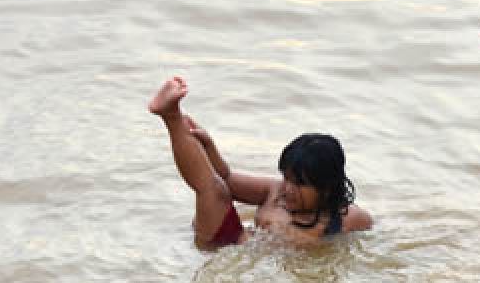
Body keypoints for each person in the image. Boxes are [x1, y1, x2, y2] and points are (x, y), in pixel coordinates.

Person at [148, 76, 373, 248]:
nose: (288, 189)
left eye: (299, 184)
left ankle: (171, 115)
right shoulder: (274, 190)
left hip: (249, 269)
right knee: (214, 189)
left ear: (326, 187)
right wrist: (210, 148)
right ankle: (171, 116)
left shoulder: (350, 219)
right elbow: (226, 178)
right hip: (228, 244)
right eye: (287, 178)